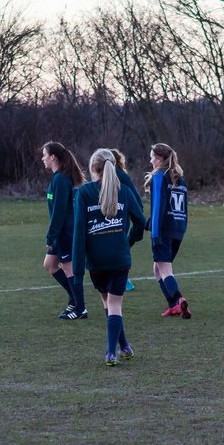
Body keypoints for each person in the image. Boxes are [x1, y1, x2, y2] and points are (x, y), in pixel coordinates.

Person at [72, 148, 147, 366]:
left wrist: (77, 272)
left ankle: (113, 351)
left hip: (96, 262)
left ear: (92, 169)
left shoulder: (84, 193)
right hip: (119, 259)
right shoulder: (123, 191)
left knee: (108, 303)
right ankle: (120, 348)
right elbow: (141, 221)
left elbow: (78, 232)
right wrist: (128, 241)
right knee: (114, 305)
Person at [41, 141, 88, 320]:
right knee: (50, 265)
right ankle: (74, 300)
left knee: (69, 269)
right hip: (61, 232)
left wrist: (51, 235)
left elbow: (59, 212)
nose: (42, 158)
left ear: (53, 157)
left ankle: (80, 309)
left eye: (45, 154)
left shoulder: (61, 179)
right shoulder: (57, 178)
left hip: (66, 232)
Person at [145, 142, 191, 318]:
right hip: (178, 230)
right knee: (157, 269)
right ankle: (173, 305)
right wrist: (148, 222)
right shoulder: (179, 177)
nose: (151, 162)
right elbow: (179, 208)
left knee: (164, 270)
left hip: (163, 231)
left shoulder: (159, 176)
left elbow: (159, 207)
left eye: (152, 158)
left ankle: (179, 300)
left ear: (159, 159)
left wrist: (155, 232)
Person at [109, 149, 145, 290]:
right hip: (113, 218)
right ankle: (118, 277)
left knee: (119, 248)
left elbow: (135, 198)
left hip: (119, 219)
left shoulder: (119, 175)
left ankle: (123, 279)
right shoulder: (112, 174)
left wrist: (137, 218)